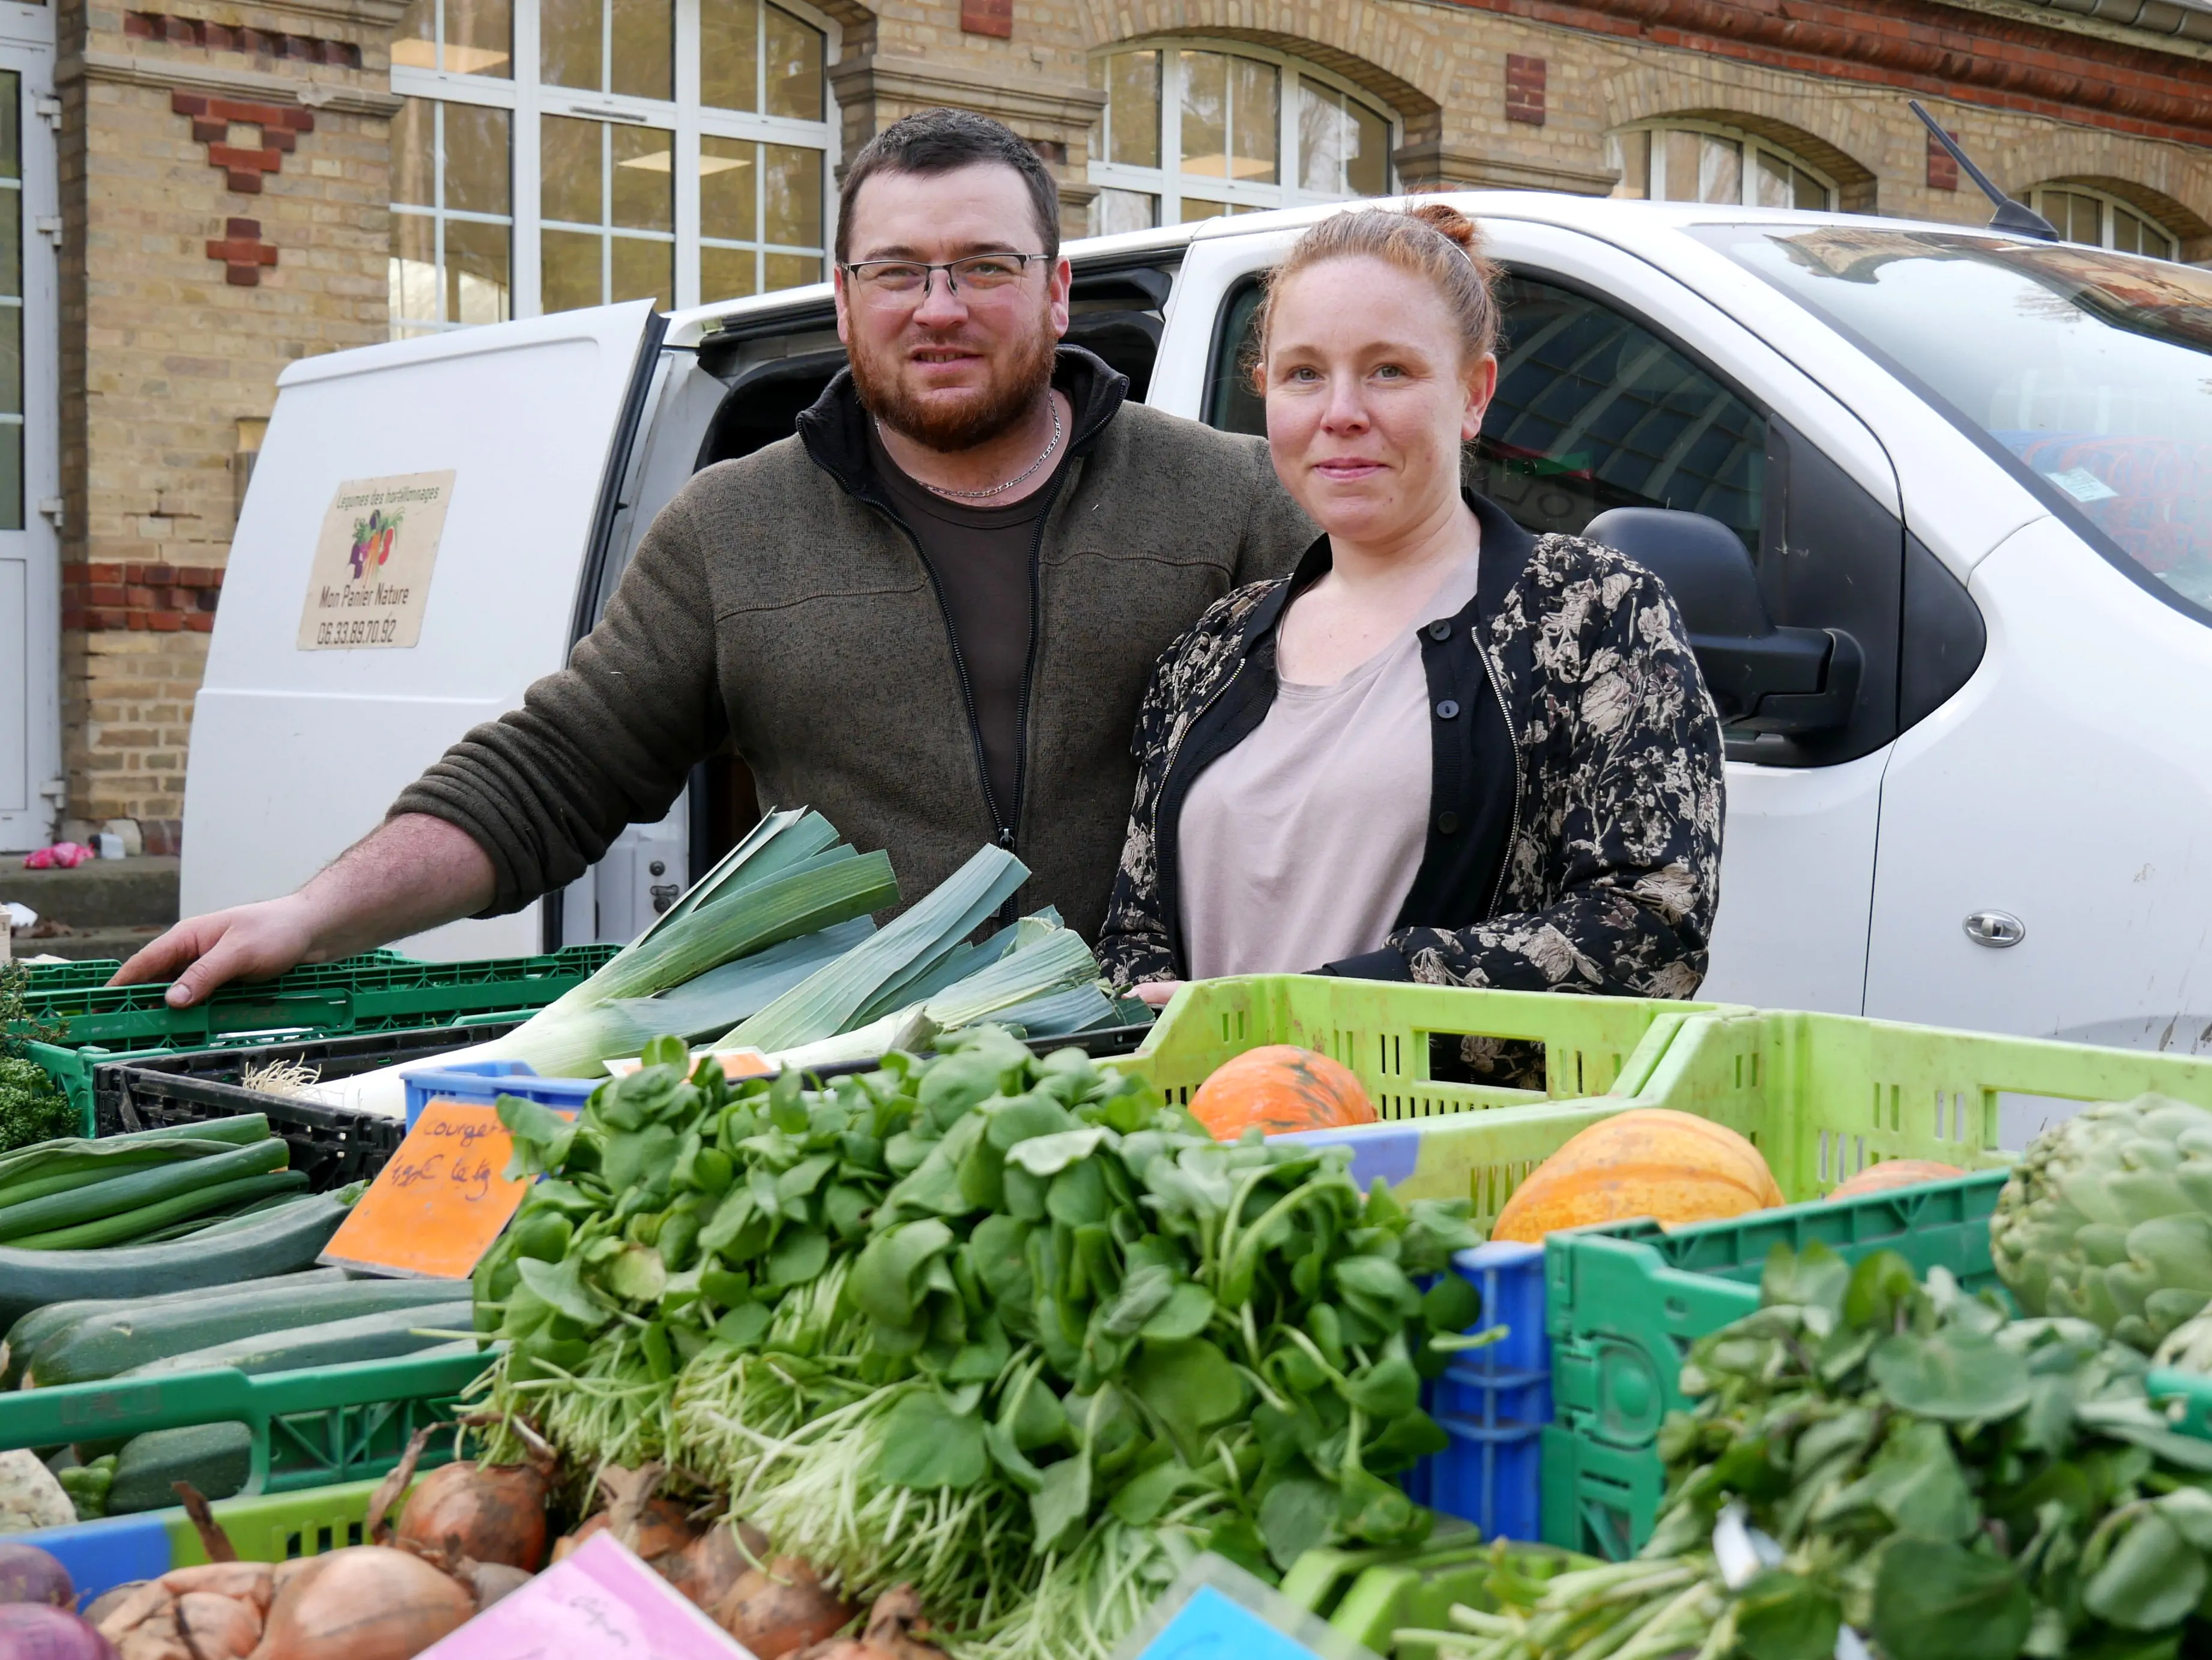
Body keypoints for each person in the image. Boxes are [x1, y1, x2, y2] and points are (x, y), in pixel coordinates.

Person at [116, 108, 1314, 1008]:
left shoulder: (1235, 496)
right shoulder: (734, 527)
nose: (937, 305)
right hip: (865, 1087)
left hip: (1180, 1070)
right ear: (845, 302)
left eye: (985, 266)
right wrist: (313, 910)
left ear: (1055, 292)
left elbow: (1411, 746)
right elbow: (554, 770)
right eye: (896, 271)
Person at [1095, 203, 1725, 1011]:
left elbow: (1652, 930)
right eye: (1304, 374)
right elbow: (1133, 935)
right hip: (1212, 1132)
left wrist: (1323, 1005)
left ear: (1474, 393)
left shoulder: (1596, 615)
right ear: (1265, 394)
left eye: (1390, 370)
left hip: (1451, 1134)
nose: (1342, 411)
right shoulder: (1208, 654)